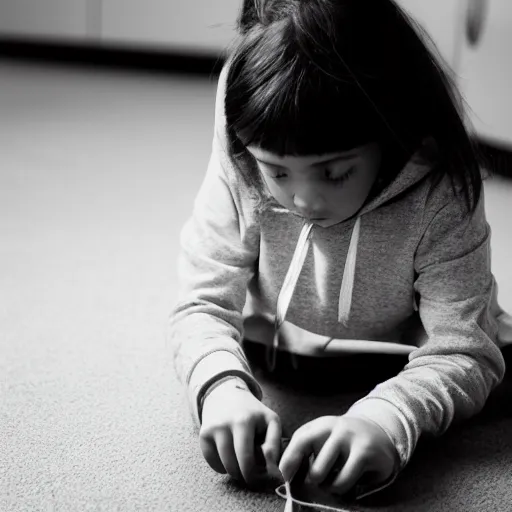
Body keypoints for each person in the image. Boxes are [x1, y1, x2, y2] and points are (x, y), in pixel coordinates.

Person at [169, 0, 512, 503]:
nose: (304, 200)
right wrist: (219, 388)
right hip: (272, 349)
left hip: (400, 354)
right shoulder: (244, 150)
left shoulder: (440, 187)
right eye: (277, 172)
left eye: (333, 172)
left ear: (390, 135)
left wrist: (389, 418)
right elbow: (200, 302)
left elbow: (465, 349)